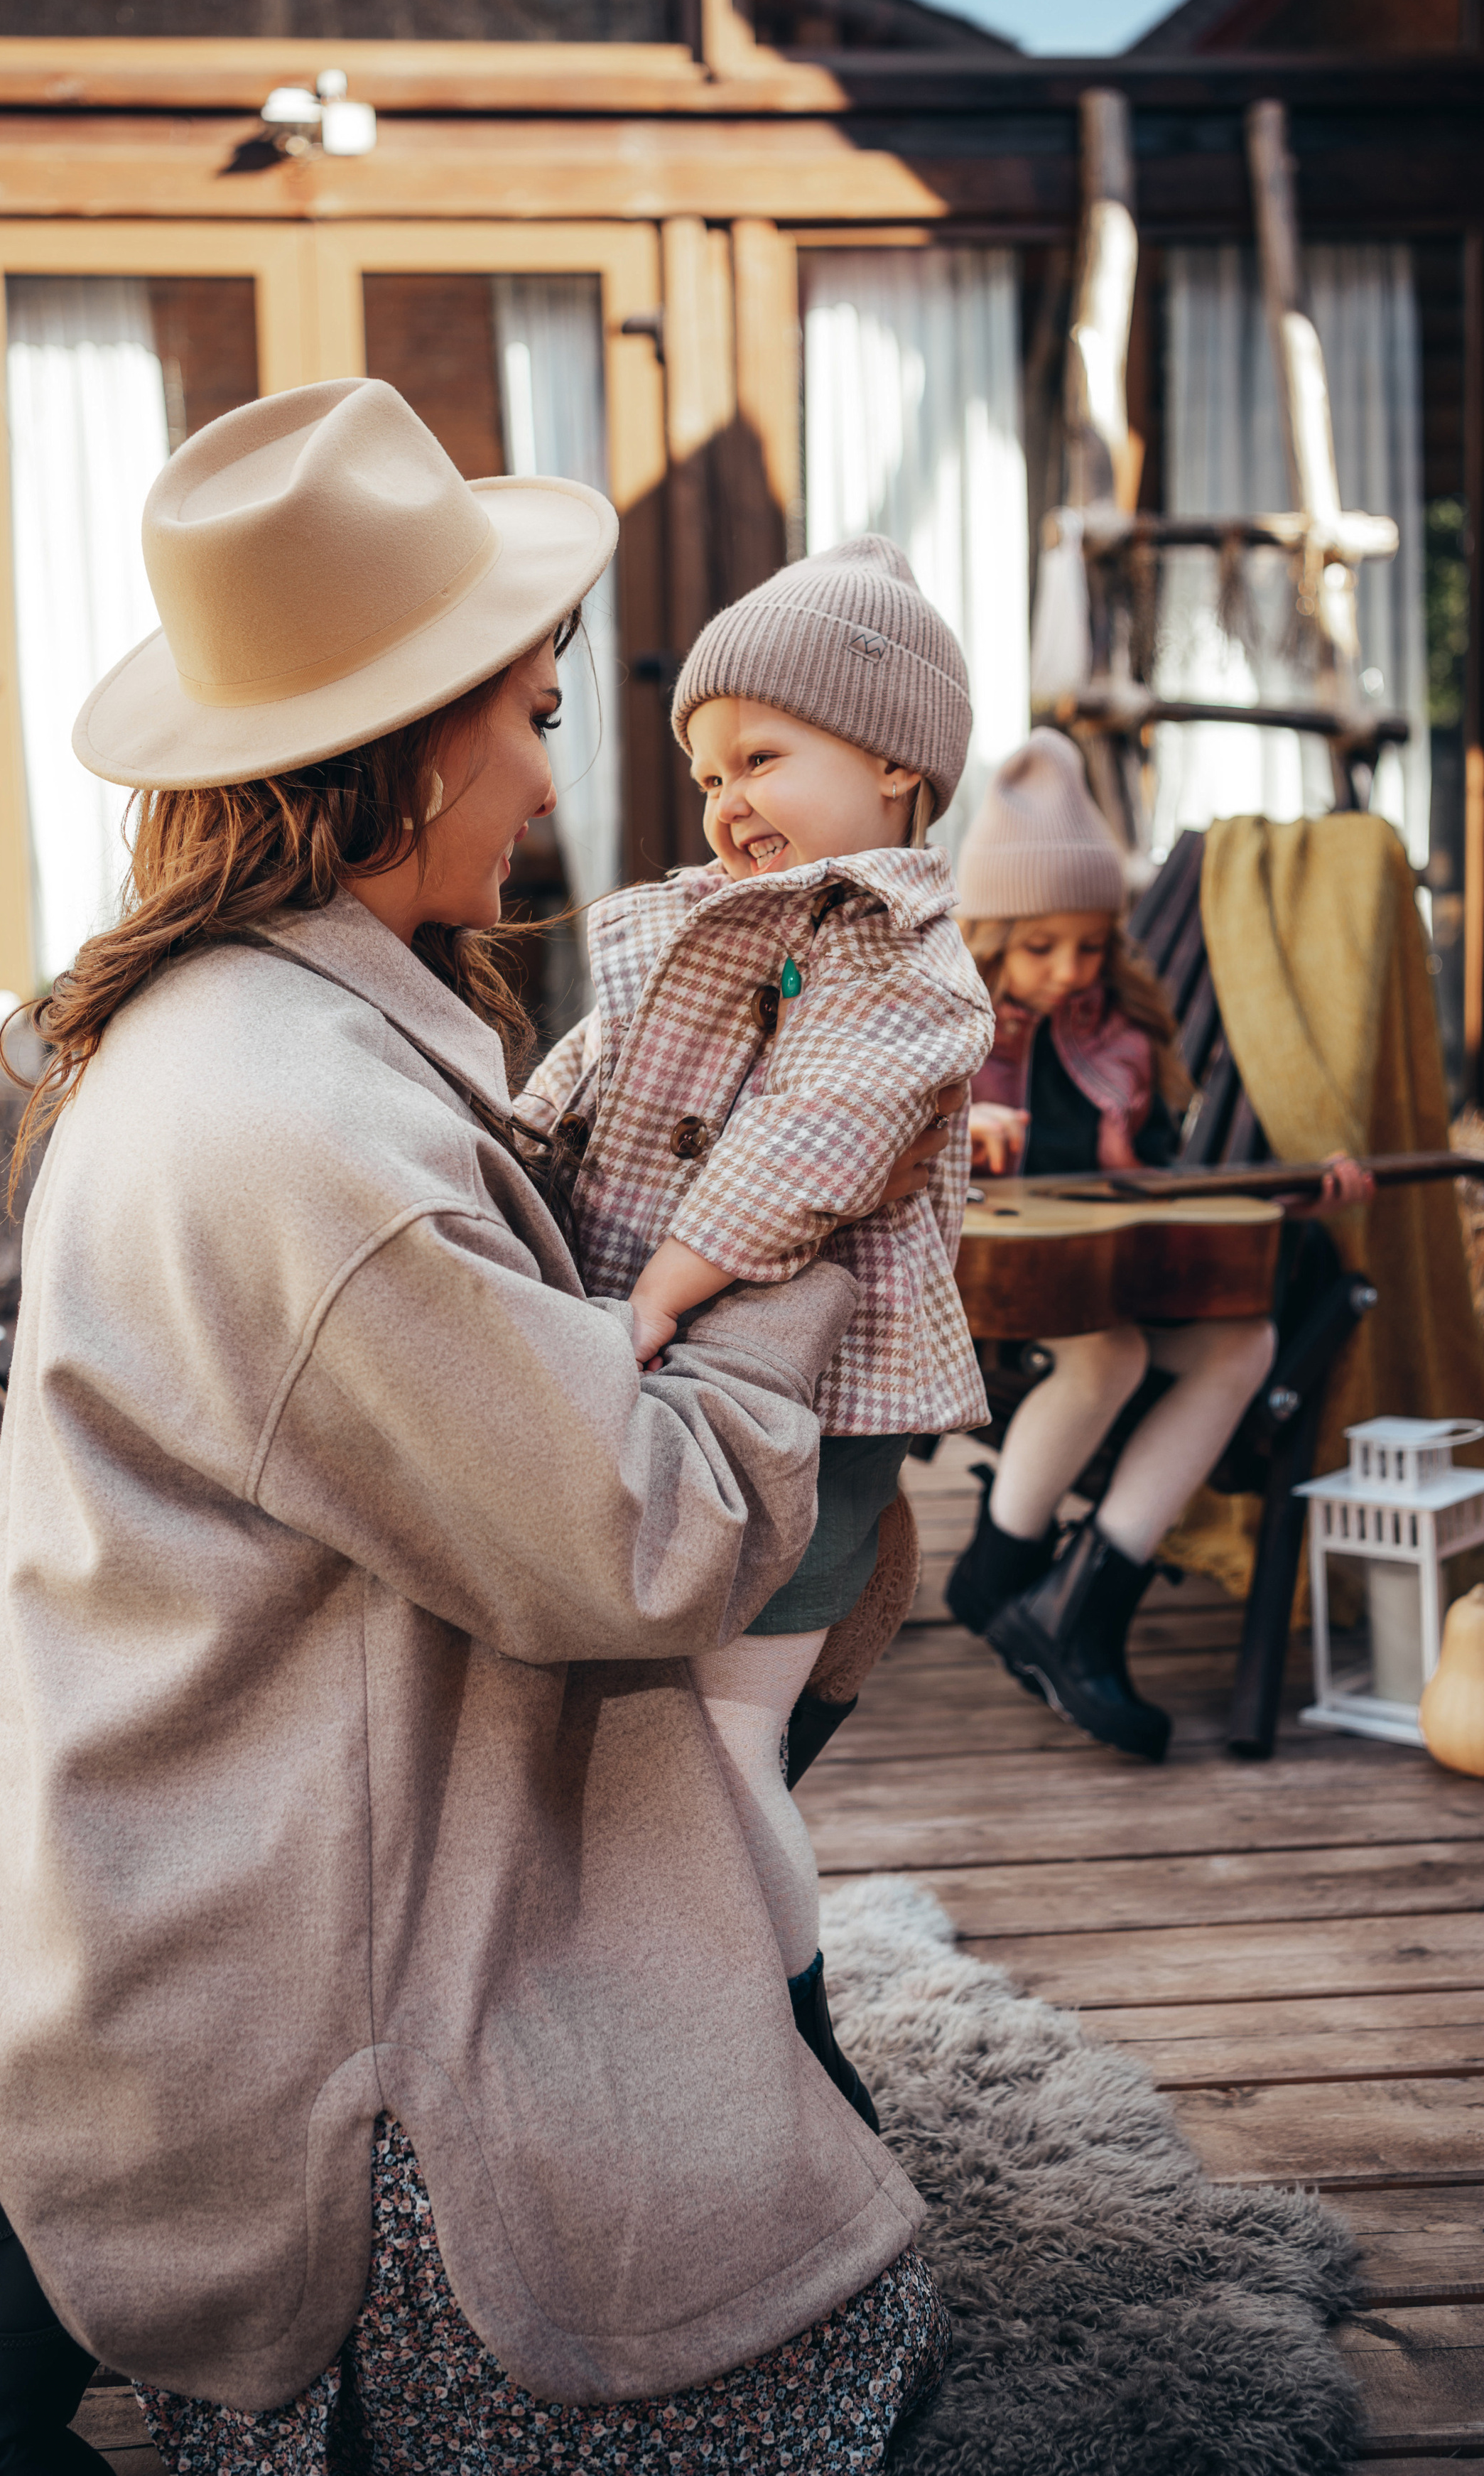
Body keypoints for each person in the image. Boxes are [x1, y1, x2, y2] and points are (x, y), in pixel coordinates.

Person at [0, 380, 953, 2476]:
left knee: (754, 1910)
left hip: (206, 1794)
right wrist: (807, 1258)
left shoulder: (252, 1019)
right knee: (829, 2376)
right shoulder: (307, 1132)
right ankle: (78, 2216)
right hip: (285, 1930)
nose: (555, 796)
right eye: (539, 725)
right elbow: (622, 1541)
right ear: (402, 752)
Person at [514, 539, 994, 2128]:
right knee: (686, 1740)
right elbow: (591, 1071)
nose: (725, 797)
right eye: (708, 768)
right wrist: (504, 1152)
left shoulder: (902, 955)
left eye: (764, 756)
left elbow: (819, 1134)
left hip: (812, 1411)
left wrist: (658, 1288)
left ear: (896, 766)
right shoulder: (710, 923)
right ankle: (688, 1986)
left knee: (727, 1747)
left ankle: (799, 2068)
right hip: (682, 1386)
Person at [943, 730, 1368, 1761]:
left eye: (1089, 947)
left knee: (1245, 1347)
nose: (1069, 971)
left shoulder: (1122, 1034)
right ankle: (1002, 1569)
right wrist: (952, 1129)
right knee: (1117, 1351)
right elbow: (860, 1137)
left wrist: (1287, 1198)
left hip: (1110, 1278)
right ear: (989, 933)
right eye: (1040, 948)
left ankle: (1084, 1603)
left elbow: (1165, 1184)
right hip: (987, 1291)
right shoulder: (942, 1024)